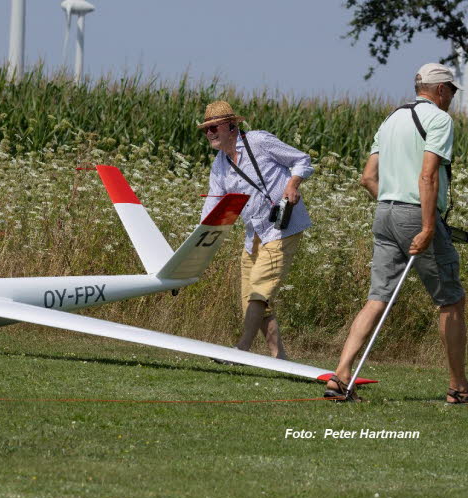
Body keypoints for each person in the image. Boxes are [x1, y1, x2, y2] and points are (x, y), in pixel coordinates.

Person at [325, 63, 468, 403]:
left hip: (384, 212)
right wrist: (428, 225)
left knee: (376, 298)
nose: (452, 98)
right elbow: (428, 176)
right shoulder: (439, 119)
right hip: (415, 215)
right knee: (451, 300)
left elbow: (367, 178)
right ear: (441, 90)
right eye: (452, 91)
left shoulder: (390, 119)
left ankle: (340, 376)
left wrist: (394, 206)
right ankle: (458, 387)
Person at [199, 100, 314, 360]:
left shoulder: (259, 141)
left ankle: (241, 350)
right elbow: (213, 204)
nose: (209, 134)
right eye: (206, 130)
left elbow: (302, 160)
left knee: (259, 291)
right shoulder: (219, 164)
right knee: (251, 299)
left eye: (214, 127)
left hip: (281, 229)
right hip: (253, 235)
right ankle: (279, 357)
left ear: (231, 126)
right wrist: (199, 238)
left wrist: (293, 184)